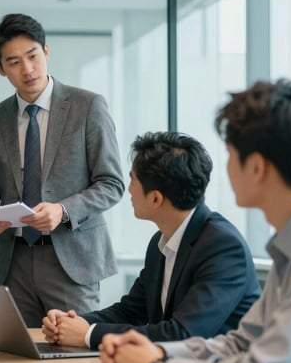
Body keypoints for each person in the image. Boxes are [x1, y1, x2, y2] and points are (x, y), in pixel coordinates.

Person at [100, 80, 291, 363]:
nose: (225, 168)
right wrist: (160, 353)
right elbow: (241, 343)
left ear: (257, 167)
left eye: (231, 155)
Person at [0, 13, 124, 327]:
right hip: (12, 261)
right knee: (13, 356)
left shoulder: (88, 106)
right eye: (14, 62)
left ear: (46, 51)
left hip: (70, 258)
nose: (27, 69)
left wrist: (63, 210)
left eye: (33, 56)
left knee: (73, 353)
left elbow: (111, 183)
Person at [42, 131, 261, 349]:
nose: (129, 189)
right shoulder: (161, 242)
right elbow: (131, 310)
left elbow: (183, 334)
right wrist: (74, 323)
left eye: (133, 180)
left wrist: (89, 334)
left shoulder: (223, 247)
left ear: (156, 198)